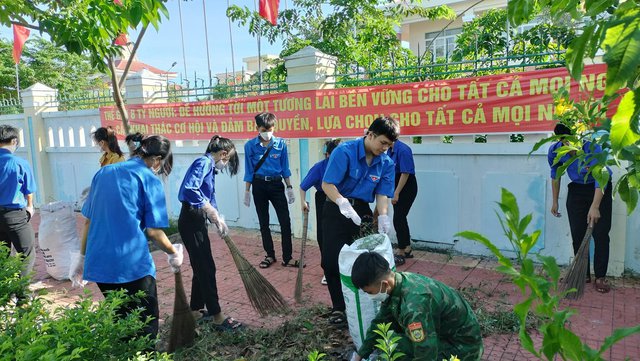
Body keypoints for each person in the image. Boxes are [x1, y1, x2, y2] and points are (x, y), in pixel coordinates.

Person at [70, 135, 184, 340]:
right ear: (157, 159)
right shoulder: (149, 180)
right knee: (145, 327)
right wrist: (174, 252)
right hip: (132, 267)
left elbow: (88, 220)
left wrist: (81, 258)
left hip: (101, 265)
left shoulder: (103, 172)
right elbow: (154, 232)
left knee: (121, 322)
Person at [321, 116, 398, 326]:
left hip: (362, 211)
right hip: (336, 208)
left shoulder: (387, 163)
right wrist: (342, 203)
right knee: (331, 260)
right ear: (370, 135)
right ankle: (339, 307)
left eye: (389, 145)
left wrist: (382, 215)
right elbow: (327, 184)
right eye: (383, 143)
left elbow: (383, 194)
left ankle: (363, 304)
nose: (385, 148)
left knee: (363, 260)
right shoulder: (344, 152)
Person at [350, 251, 483, 361]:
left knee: (393, 347)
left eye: (369, 292)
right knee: (387, 337)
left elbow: (426, 352)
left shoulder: (414, 307)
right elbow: (380, 322)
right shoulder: (398, 282)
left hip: (463, 349)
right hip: (445, 336)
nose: (370, 296)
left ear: (385, 284)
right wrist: (360, 355)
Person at [177, 135, 242, 330]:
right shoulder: (203, 162)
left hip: (197, 219)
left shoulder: (209, 167)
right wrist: (209, 210)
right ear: (223, 154)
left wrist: (217, 217)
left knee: (201, 265)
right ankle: (218, 316)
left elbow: (208, 196)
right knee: (206, 267)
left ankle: (196, 309)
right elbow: (189, 189)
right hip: (190, 220)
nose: (227, 162)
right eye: (228, 159)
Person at [548, 123, 612, 293]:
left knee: (600, 234)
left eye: (571, 141)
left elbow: (601, 177)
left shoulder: (592, 147)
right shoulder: (555, 150)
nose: (568, 146)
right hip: (577, 188)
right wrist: (555, 201)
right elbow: (556, 174)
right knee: (578, 233)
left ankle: (600, 276)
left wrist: (595, 206)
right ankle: (583, 273)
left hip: (600, 187)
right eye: (564, 142)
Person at [243, 112, 298, 268]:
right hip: (259, 185)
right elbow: (249, 170)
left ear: (274, 127)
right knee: (264, 222)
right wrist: (247, 191)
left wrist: (289, 187)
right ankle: (270, 255)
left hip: (276, 185)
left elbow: (285, 168)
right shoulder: (250, 146)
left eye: (270, 129)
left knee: (285, 221)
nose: (267, 132)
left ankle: (287, 257)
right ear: (257, 128)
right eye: (263, 129)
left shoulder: (280, 144)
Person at [299, 139, 341, 285]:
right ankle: (327, 271)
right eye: (333, 154)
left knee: (340, 235)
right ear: (327, 154)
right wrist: (302, 202)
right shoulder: (319, 167)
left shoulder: (344, 165)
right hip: (323, 199)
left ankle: (342, 268)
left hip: (341, 199)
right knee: (324, 235)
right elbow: (303, 186)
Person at [0, 125, 36, 280]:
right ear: (14, 141)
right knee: (26, 253)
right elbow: (29, 190)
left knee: (2, 255)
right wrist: (30, 207)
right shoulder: (19, 163)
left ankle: (4, 293)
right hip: (14, 216)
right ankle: (22, 295)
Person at [388, 138, 418, 266]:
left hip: (406, 186)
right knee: (400, 217)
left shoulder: (403, 150)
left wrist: (396, 193)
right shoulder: (390, 149)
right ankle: (407, 248)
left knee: (398, 218)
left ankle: (401, 250)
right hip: (397, 184)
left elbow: (405, 173)